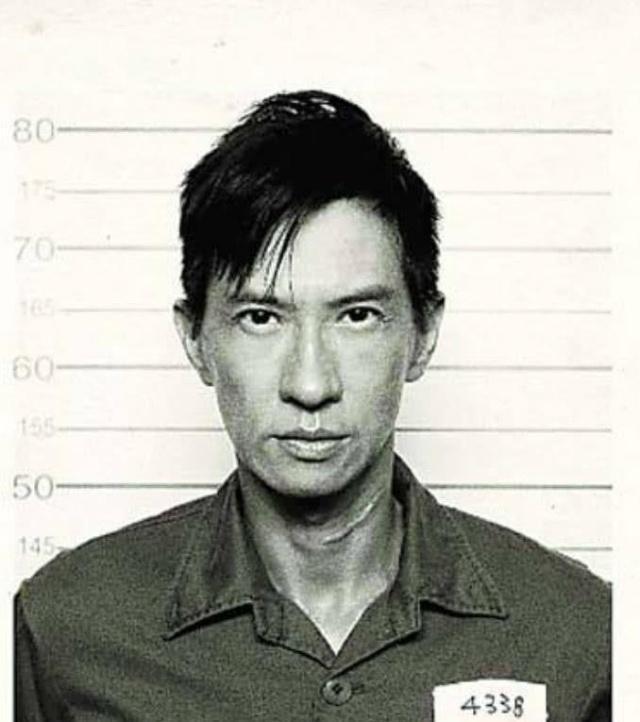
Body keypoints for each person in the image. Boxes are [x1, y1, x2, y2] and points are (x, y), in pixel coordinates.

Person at [14, 90, 610, 721]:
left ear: (423, 334)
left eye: (357, 316)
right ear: (194, 339)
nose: (310, 383)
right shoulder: (66, 628)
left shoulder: (578, 632)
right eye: (260, 317)